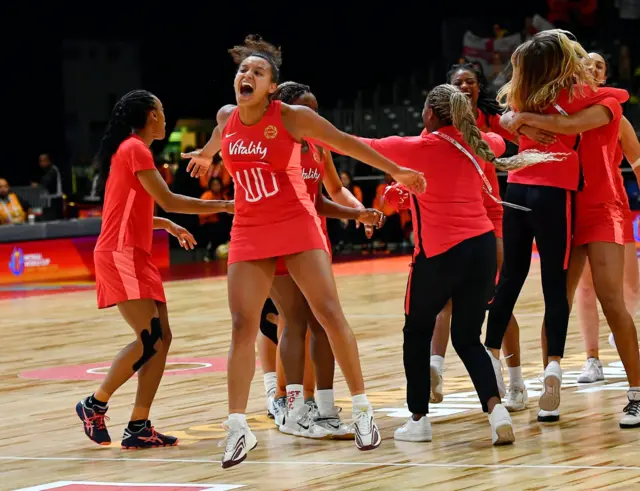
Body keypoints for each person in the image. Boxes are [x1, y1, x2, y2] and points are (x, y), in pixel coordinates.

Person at [182, 35, 425, 468]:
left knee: (329, 313)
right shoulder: (227, 116)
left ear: (272, 87)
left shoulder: (291, 118)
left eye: (258, 72)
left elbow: (348, 144)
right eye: (243, 71)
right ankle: (237, 427)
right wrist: (205, 153)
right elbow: (221, 135)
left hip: (296, 225)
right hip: (250, 229)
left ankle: (363, 409)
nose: (247, 76)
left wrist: (396, 171)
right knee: (243, 323)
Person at [363, 83, 563, 445]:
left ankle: (419, 419)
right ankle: (496, 411)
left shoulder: (417, 147)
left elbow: (359, 145)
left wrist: (305, 128)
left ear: (428, 114)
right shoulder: (481, 144)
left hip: (438, 254)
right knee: (469, 338)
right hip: (482, 248)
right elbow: (502, 139)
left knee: (417, 332)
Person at [75, 89, 233, 450]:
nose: (165, 115)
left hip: (135, 252)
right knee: (148, 339)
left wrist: (167, 226)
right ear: (150, 116)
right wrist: (227, 205)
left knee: (161, 340)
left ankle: (139, 425)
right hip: (120, 253)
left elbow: (135, 207)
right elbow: (169, 199)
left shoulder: (134, 150)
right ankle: (93, 404)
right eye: (161, 110)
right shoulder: (134, 148)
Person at [485, 29, 629, 423]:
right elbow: (605, 102)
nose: (588, 67)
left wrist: (519, 120)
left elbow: (504, 116)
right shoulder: (567, 96)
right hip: (559, 196)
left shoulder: (530, 97)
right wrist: (520, 119)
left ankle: (493, 354)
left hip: (555, 198)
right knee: (558, 288)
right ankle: (555, 370)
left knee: (516, 279)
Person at [427, 63, 558, 412]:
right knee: (445, 301)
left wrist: (535, 134)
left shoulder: (493, 121)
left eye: (470, 81)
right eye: (458, 82)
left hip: (494, 217)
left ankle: (515, 382)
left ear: (478, 86)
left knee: (497, 300)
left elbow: (523, 140)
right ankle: (434, 371)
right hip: (454, 222)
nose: (465, 85)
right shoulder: (437, 128)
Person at [265, 81, 383, 439]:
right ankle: (291, 405)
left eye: (316, 110)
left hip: (315, 241)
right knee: (293, 320)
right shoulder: (273, 147)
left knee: (323, 324)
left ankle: (326, 405)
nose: (313, 116)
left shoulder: (319, 146)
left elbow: (332, 190)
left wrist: (358, 208)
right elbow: (309, 203)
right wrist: (355, 214)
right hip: (280, 238)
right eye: (306, 110)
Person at [572, 53, 640, 384]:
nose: (594, 67)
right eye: (588, 62)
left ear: (605, 75)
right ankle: (592, 359)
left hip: (612, 203)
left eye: (600, 65)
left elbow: (637, 158)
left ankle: (620, 328)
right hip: (574, 204)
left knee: (630, 285)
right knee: (585, 288)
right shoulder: (565, 112)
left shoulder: (615, 113)